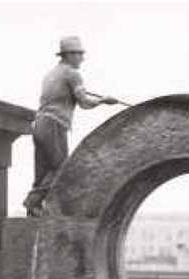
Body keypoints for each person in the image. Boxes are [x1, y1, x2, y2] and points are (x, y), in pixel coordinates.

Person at [23, 36, 119, 217]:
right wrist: (103, 101)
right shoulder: (72, 74)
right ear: (69, 55)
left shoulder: (51, 74)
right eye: (79, 54)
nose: (82, 58)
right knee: (61, 169)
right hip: (55, 124)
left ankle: (33, 210)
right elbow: (84, 102)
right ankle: (33, 201)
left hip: (39, 124)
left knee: (43, 170)